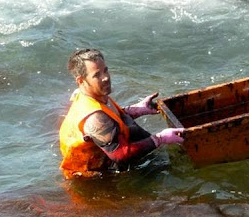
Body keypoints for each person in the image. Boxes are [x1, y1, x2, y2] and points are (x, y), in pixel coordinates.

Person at [59, 49, 184, 178]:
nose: (105, 77)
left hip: (106, 161)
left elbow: (110, 119)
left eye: (105, 70)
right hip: (93, 181)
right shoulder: (94, 117)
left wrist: (135, 110)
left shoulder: (92, 94)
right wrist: (160, 139)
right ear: (81, 81)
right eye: (97, 75)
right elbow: (121, 155)